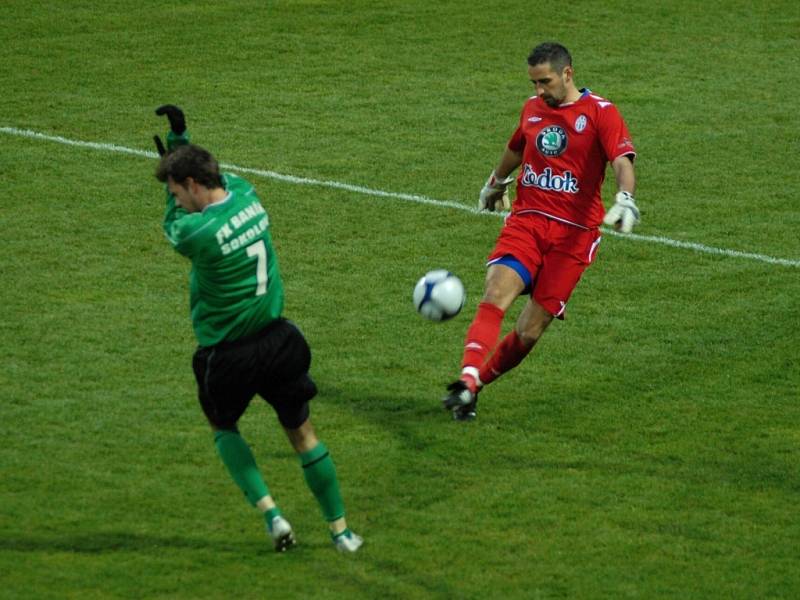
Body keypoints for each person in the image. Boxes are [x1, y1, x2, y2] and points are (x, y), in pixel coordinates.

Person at [152, 105, 363, 553]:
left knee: (222, 424)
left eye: (177, 191)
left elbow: (174, 225)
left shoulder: (197, 233)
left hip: (227, 354)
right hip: (281, 340)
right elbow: (212, 174)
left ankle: (272, 515)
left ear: (190, 186)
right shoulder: (249, 194)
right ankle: (342, 532)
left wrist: (171, 173)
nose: (176, 199)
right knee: (303, 432)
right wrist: (180, 142)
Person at [443, 42, 640, 420]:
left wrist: (626, 196)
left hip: (574, 236)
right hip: (528, 222)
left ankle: (477, 386)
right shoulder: (533, 109)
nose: (538, 91)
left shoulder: (601, 113)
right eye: (533, 82)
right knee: (495, 292)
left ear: (567, 74)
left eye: (545, 81)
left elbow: (621, 158)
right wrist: (495, 182)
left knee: (529, 331)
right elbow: (517, 146)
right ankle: (465, 381)